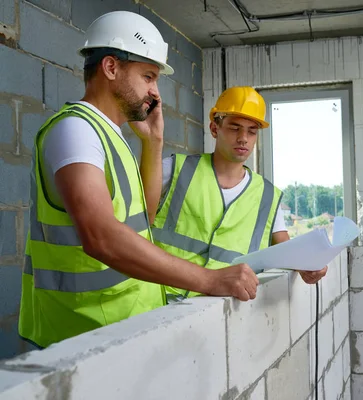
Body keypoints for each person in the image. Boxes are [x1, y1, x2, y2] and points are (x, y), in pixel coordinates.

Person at [18, 12, 258, 349]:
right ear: (111, 68)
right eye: (148, 77)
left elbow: (141, 221)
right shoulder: (75, 130)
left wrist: (153, 142)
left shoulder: (111, 137)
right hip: (78, 338)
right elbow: (101, 237)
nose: (155, 93)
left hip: (119, 332)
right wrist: (208, 279)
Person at [151, 86, 329, 301]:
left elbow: (286, 249)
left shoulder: (268, 196)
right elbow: (134, 226)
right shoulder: (174, 169)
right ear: (215, 129)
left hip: (226, 312)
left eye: (252, 131)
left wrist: (308, 265)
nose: (243, 138)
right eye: (235, 128)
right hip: (158, 303)